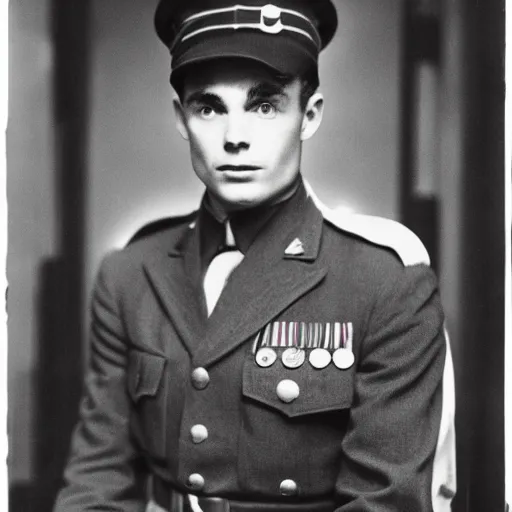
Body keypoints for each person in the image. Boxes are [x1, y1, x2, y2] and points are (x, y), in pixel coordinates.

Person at [54, 1, 456, 511]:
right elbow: (97, 480)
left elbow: (385, 500)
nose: (235, 136)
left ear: (308, 115)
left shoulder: (385, 281)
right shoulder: (130, 274)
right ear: (181, 118)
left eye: (264, 105)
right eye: (209, 107)